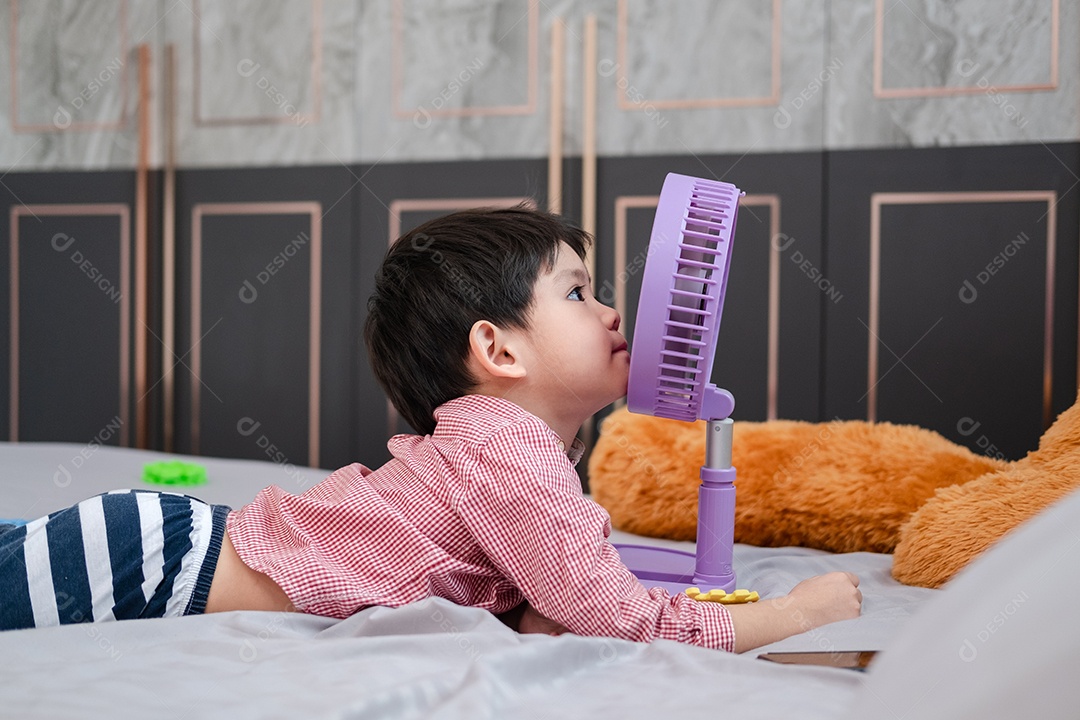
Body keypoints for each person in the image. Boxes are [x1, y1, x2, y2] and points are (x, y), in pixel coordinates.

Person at [0, 206, 861, 650]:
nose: (610, 312)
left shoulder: (507, 446)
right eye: (577, 292)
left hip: (165, 548)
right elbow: (621, 619)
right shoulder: (508, 452)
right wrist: (786, 615)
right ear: (497, 348)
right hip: (151, 561)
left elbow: (546, 599)